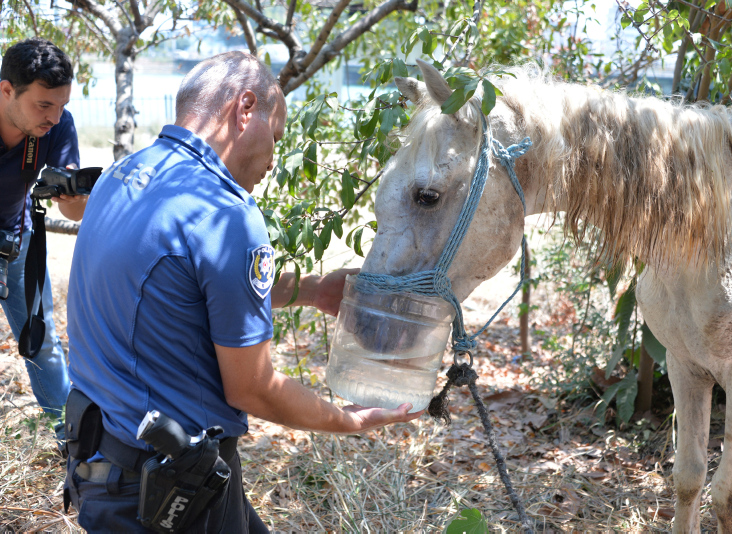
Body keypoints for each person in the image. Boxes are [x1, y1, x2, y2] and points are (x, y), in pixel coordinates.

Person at [64, 51, 422, 532]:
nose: (274, 159)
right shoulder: (225, 212)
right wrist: (348, 420)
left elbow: (190, 288)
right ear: (245, 108)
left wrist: (313, 289)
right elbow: (253, 387)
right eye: (276, 137)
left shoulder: (123, 175)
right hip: (167, 497)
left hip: (101, 467)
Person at [0, 38, 87, 427]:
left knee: (43, 343)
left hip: (16, 245)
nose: (54, 117)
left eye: (62, 105)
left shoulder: (58, 125)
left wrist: (72, 192)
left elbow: (74, 212)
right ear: (7, 90)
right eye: (44, 105)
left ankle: (73, 443)